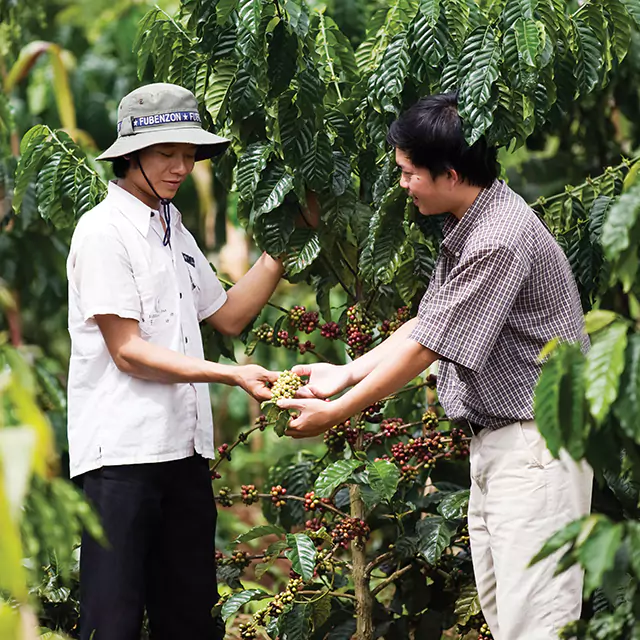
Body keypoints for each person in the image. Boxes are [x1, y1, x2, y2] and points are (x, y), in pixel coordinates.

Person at [277, 93, 593, 640]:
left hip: (537, 447)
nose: (400, 184)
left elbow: (428, 348)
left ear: (448, 173)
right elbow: (429, 322)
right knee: (508, 615)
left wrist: (337, 413)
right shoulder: (474, 217)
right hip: (507, 443)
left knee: (538, 623)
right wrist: (345, 373)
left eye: (407, 173)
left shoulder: (498, 238)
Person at [66, 82, 283, 640]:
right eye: (167, 153)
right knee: (111, 622)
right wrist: (231, 374)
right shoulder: (103, 233)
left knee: (190, 618)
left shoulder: (173, 228)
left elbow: (228, 316)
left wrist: (287, 245)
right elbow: (129, 352)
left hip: (182, 451)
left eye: (189, 154)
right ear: (132, 155)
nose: (181, 166)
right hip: (122, 457)